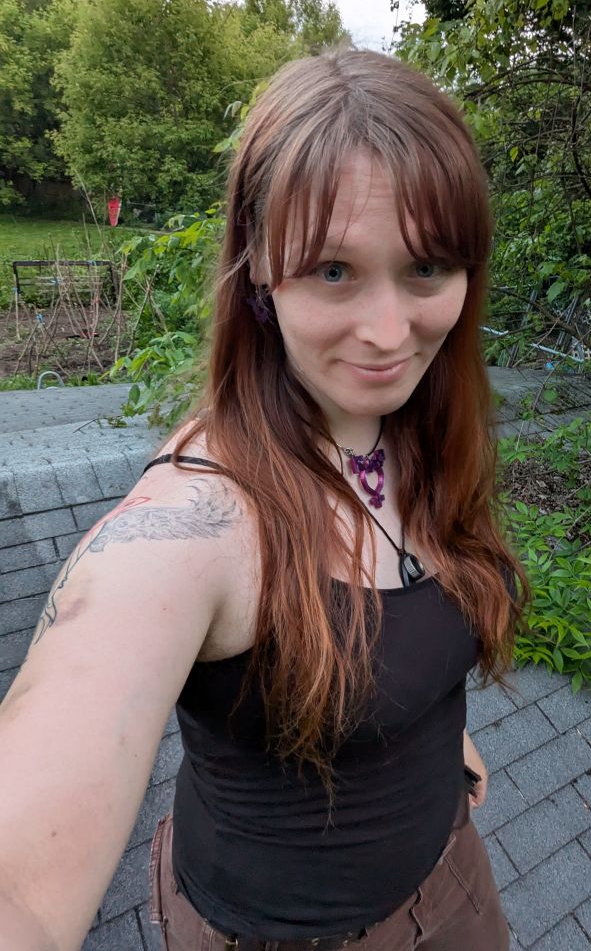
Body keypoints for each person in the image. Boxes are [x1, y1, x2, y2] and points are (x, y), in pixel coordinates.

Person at [0, 48, 529, 951]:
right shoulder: (192, 529)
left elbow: (410, 646)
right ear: (257, 272)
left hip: (454, 880)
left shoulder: (418, 429)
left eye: (428, 269)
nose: (390, 332)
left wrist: (443, 746)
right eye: (332, 271)